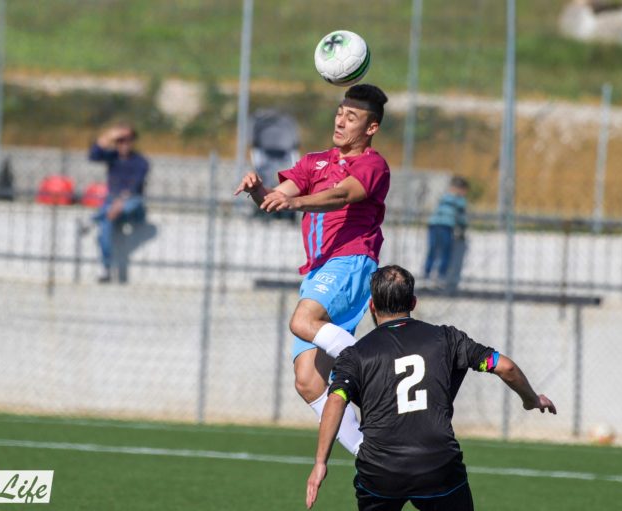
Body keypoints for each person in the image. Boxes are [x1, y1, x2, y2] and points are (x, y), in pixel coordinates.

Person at [306, 265, 557, 511]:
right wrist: (531, 399)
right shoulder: (447, 339)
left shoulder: (355, 354)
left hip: (381, 474)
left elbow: (336, 400)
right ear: (413, 303)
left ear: (372, 305)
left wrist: (320, 462)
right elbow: (505, 367)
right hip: (438, 468)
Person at [234, 84, 391, 456]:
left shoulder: (373, 165)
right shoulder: (314, 162)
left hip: (351, 261)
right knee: (307, 381)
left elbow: (341, 195)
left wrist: (295, 202)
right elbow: (277, 198)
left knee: (302, 321)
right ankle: (373, 456)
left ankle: (381, 370)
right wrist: (258, 190)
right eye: (340, 112)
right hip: (319, 271)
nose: (341, 121)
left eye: (352, 117)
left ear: (371, 127)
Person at [88, 121, 149, 283]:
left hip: (131, 204)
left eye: (127, 140)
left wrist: (120, 203)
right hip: (112, 206)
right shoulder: (113, 157)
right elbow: (93, 154)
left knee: (129, 204)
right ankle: (106, 268)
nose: (124, 144)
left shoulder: (140, 162)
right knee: (105, 230)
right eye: (120, 140)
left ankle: (92, 219)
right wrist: (110, 135)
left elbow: (134, 187)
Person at [423, 176, 469, 288]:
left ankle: (431, 276)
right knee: (442, 251)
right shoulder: (458, 200)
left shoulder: (446, 198)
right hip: (443, 226)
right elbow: (461, 218)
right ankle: (436, 276)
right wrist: (462, 229)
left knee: (436, 251)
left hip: (437, 226)